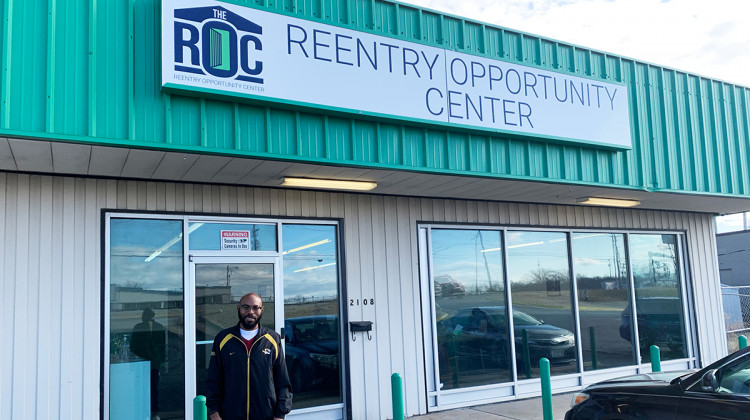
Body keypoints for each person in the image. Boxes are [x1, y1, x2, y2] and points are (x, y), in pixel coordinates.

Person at [206, 293, 293, 420]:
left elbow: (282, 380)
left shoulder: (273, 339)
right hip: (230, 415)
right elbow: (214, 379)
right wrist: (214, 412)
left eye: (255, 307)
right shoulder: (223, 339)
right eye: (246, 307)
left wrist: (280, 414)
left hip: (265, 415)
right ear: (238, 308)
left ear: (261, 310)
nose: (250, 312)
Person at [130, 307, 166, 420]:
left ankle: (146, 411)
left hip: (145, 363)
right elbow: (163, 347)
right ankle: (151, 412)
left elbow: (133, 346)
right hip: (150, 363)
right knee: (151, 388)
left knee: (143, 388)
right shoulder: (157, 327)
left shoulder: (140, 327)